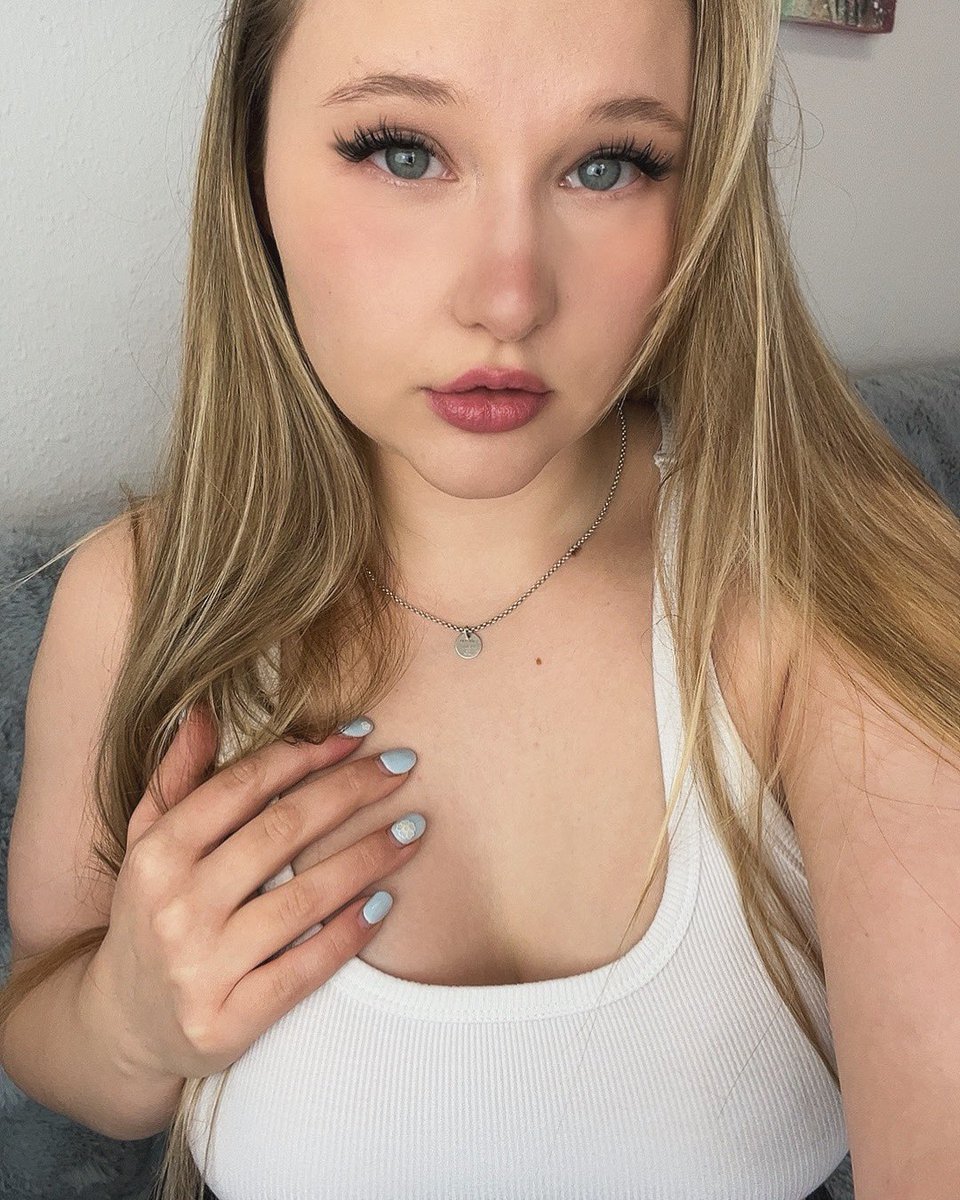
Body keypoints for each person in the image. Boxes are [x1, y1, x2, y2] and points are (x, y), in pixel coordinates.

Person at [2, 0, 957, 1198]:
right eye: (403, 151)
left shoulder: (827, 596)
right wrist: (129, 1023)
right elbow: (41, 1013)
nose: (509, 298)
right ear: (252, 164)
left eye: (609, 165)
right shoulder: (142, 596)